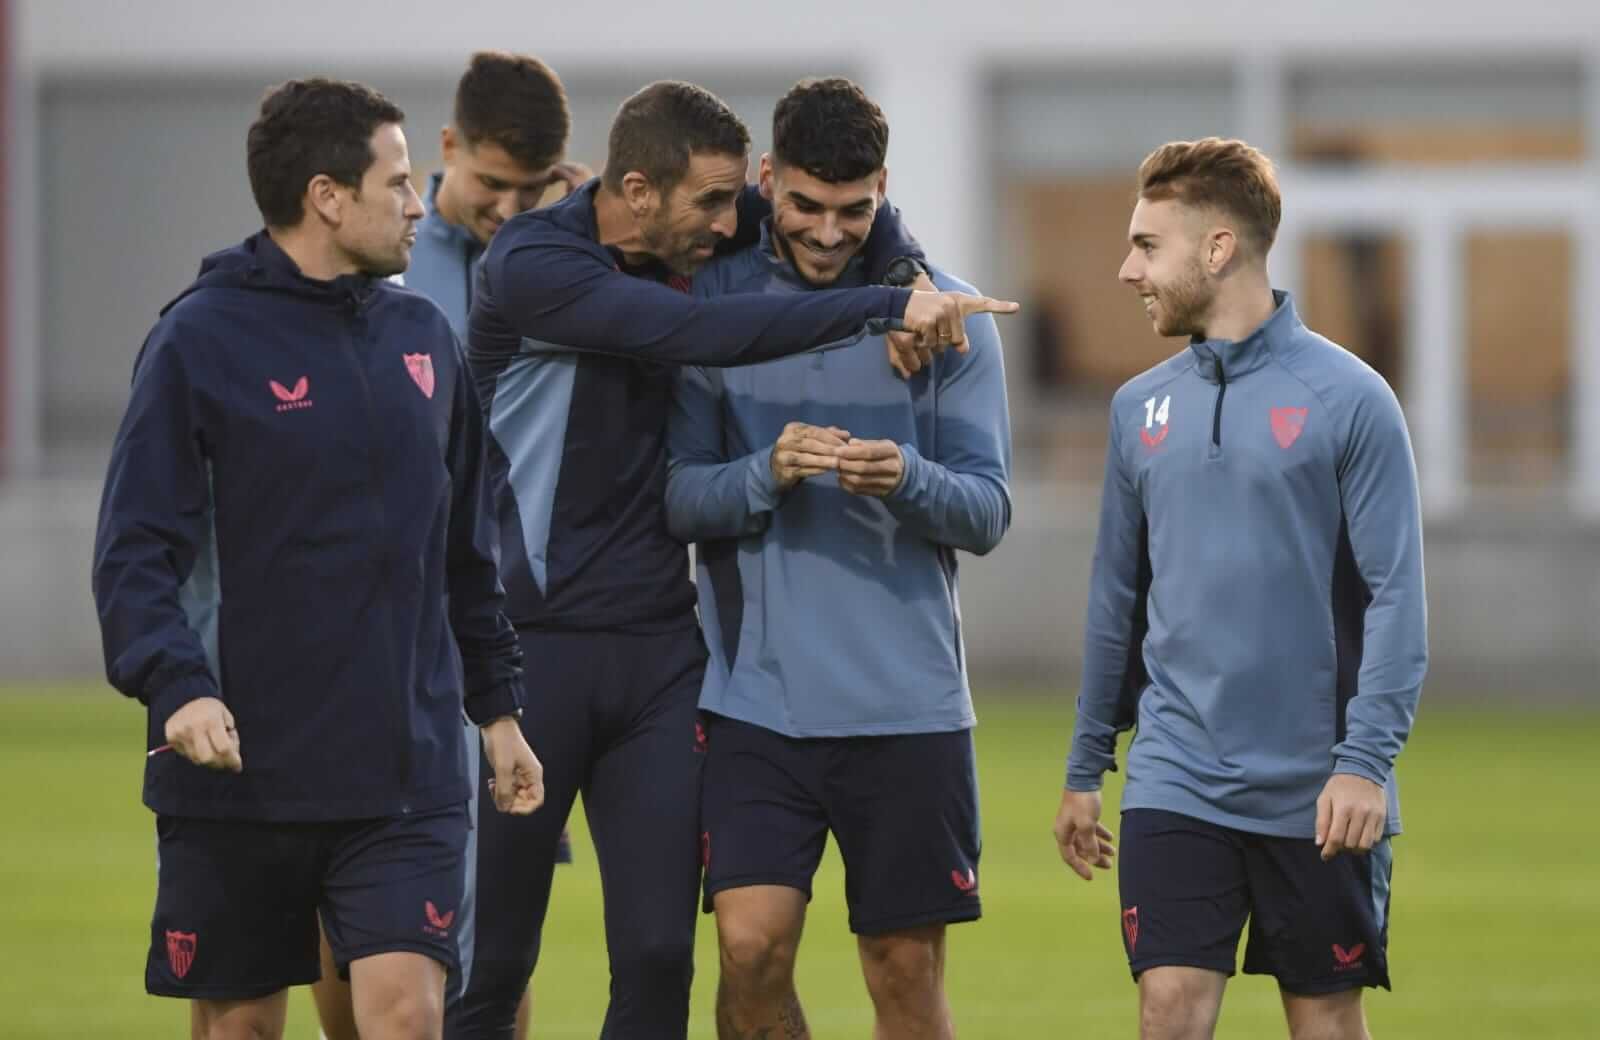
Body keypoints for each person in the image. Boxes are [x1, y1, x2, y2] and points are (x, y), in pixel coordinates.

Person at [448, 79, 1018, 1039]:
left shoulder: (862, 283)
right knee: (503, 959)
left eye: (851, 210)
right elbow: (690, 362)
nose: (737, 223)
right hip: (551, 650)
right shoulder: (548, 265)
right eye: (724, 202)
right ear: (644, 192)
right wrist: (883, 309)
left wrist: (910, 286)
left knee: (670, 957)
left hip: (686, 662)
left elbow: (986, 506)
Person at [91, 77, 543, 1040]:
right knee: (243, 1029)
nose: (419, 204)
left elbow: (469, 548)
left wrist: (499, 712)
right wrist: (178, 687)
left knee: (407, 1020)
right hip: (240, 774)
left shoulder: (425, 338)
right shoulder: (196, 340)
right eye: (399, 181)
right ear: (327, 197)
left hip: (405, 773)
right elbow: (134, 549)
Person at [1052, 137, 1427, 1040]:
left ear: (1218, 248)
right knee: (1169, 1010)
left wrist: (1364, 765)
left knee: (1324, 1020)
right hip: (1176, 774)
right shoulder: (1136, 409)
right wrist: (1085, 767)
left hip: (1319, 786)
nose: (1127, 270)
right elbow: (1116, 599)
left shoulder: (1352, 400)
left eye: (1148, 246)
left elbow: (1397, 598)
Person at [663, 77, 1012, 1040]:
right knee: (749, 950)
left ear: (882, 191)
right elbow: (678, 496)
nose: (827, 232)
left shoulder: (944, 316)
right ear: (768, 178)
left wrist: (908, 477)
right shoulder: (711, 307)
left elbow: (988, 511)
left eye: (853, 210)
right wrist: (764, 472)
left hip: (909, 706)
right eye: (806, 205)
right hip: (754, 702)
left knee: (904, 972)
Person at [310, 50, 582, 1040]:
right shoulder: (380, 250)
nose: (508, 208)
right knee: (349, 910)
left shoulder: (574, 250)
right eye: (491, 183)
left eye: (532, 188)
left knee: (499, 925)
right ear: (448, 146)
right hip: (377, 634)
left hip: (510, 626)